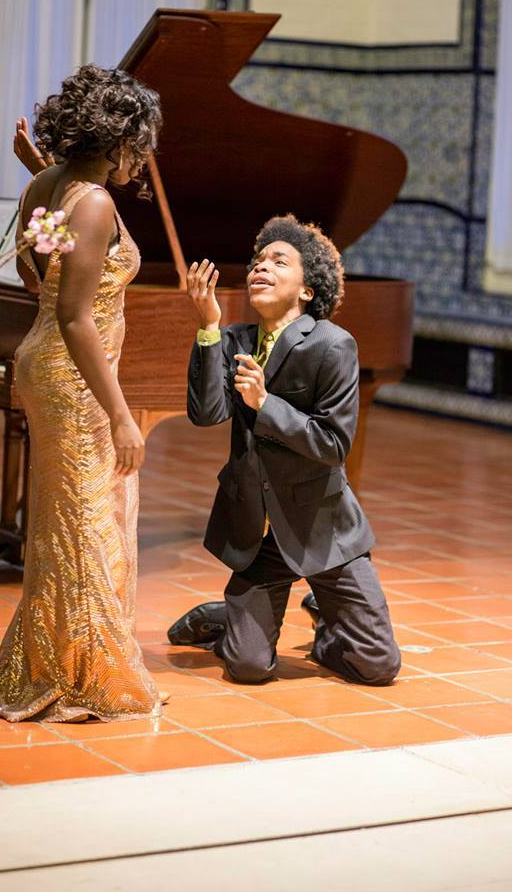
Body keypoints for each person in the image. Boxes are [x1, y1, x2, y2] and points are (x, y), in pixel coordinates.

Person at [0, 64, 164, 722]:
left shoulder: (43, 184)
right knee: (89, 526)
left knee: (68, 524)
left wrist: (41, 167)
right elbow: (73, 315)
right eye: (139, 145)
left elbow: (41, 284)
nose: (142, 159)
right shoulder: (93, 202)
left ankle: (59, 659)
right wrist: (121, 414)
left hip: (46, 368)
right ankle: (84, 674)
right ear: (118, 140)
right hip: (74, 378)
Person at [167, 215, 401, 686]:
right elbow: (207, 413)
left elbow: (334, 444)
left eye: (278, 261)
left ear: (307, 291)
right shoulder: (233, 339)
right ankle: (227, 619)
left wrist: (266, 404)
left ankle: (323, 617)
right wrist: (208, 325)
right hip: (261, 534)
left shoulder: (333, 345)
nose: (261, 267)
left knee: (378, 666)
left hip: (323, 528)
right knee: (249, 668)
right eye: (257, 261)